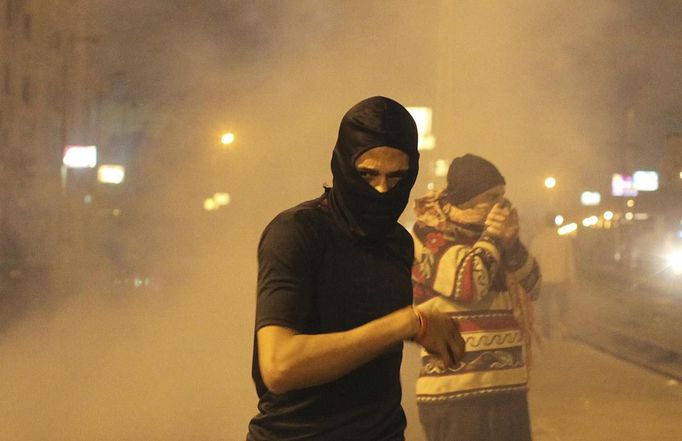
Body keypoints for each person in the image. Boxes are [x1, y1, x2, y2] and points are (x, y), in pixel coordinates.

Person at [247, 96, 466, 441]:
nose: (381, 190)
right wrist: (406, 323)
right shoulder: (298, 232)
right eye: (367, 174)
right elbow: (279, 366)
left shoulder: (397, 242)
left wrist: (424, 334)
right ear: (343, 167)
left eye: (396, 178)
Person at [411, 154, 541, 441]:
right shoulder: (429, 232)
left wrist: (510, 243)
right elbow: (469, 283)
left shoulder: (494, 239)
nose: (502, 205)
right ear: (469, 199)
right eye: (492, 197)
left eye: (503, 196)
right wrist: (494, 235)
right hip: (454, 392)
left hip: (507, 388)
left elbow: (533, 285)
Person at [530, 214, 575, 339]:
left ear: (544, 223)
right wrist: (571, 278)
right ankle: (563, 329)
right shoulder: (564, 240)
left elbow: (533, 262)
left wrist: (532, 280)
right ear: (556, 223)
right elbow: (569, 261)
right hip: (561, 279)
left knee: (545, 307)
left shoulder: (538, 239)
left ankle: (546, 333)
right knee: (562, 305)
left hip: (545, 279)